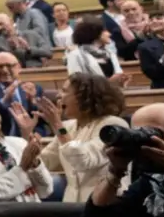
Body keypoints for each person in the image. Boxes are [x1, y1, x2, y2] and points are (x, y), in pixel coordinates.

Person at [34, 74, 129, 203]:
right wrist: (28, 138)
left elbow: (83, 161)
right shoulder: (68, 127)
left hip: (106, 204)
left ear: (86, 97)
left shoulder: (113, 125)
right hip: (72, 205)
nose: (58, 96)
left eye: (65, 91)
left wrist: (57, 125)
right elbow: (47, 161)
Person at [0, 90, 52, 203]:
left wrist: (35, 164)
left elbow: (45, 191)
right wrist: (22, 167)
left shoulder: (19, 143)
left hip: (36, 209)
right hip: (8, 214)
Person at [0, 52, 45, 138]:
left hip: (29, 139)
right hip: (0, 139)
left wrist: (38, 134)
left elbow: (41, 123)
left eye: (9, 65)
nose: (5, 70)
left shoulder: (34, 89)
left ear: (19, 67)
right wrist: (4, 101)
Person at [65, 16, 130, 87]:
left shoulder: (109, 53)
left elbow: (117, 77)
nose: (109, 34)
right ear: (95, 33)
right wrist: (108, 83)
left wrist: (121, 82)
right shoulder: (76, 55)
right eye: (105, 31)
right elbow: (77, 83)